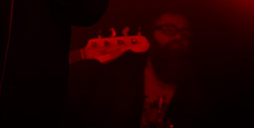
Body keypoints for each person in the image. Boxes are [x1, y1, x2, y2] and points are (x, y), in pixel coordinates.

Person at [64, 12, 205, 127]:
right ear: (150, 34)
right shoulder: (118, 79)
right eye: (169, 29)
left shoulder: (197, 93)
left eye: (185, 33)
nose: (178, 37)